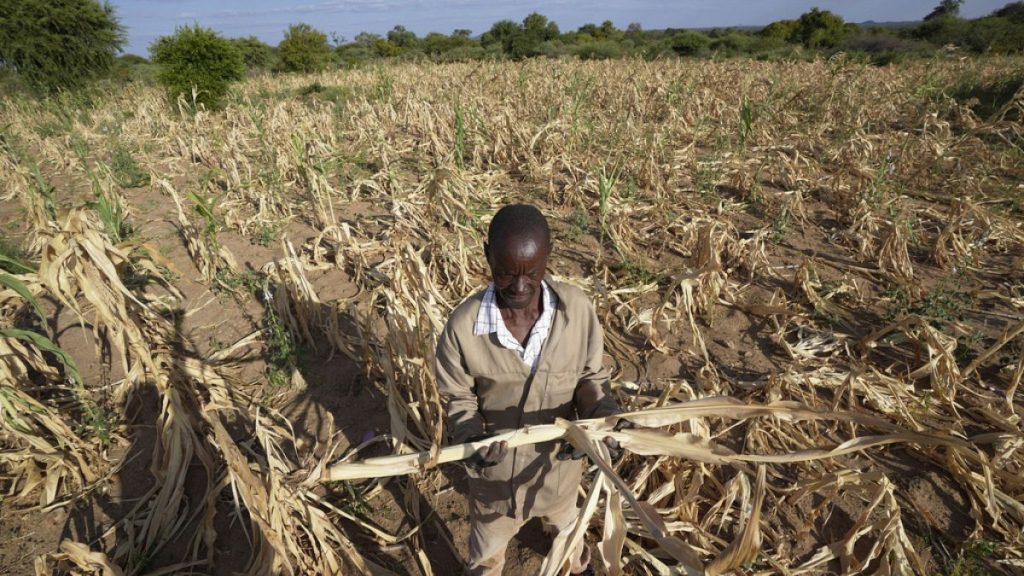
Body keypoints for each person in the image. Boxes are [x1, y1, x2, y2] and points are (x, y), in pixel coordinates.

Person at [435, 203, 620, 575]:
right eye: (504, 274)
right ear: (487, 255)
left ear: (548, 257)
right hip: (495, 487)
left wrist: (601, 420)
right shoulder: (462, 328)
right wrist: (471, 438)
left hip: (558, 476)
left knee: (568, 534)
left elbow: (589, 380)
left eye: (531, 274)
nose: (519, 287)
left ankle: (576, 564)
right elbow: (458, 398)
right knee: (487, 555)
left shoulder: (577, 312)